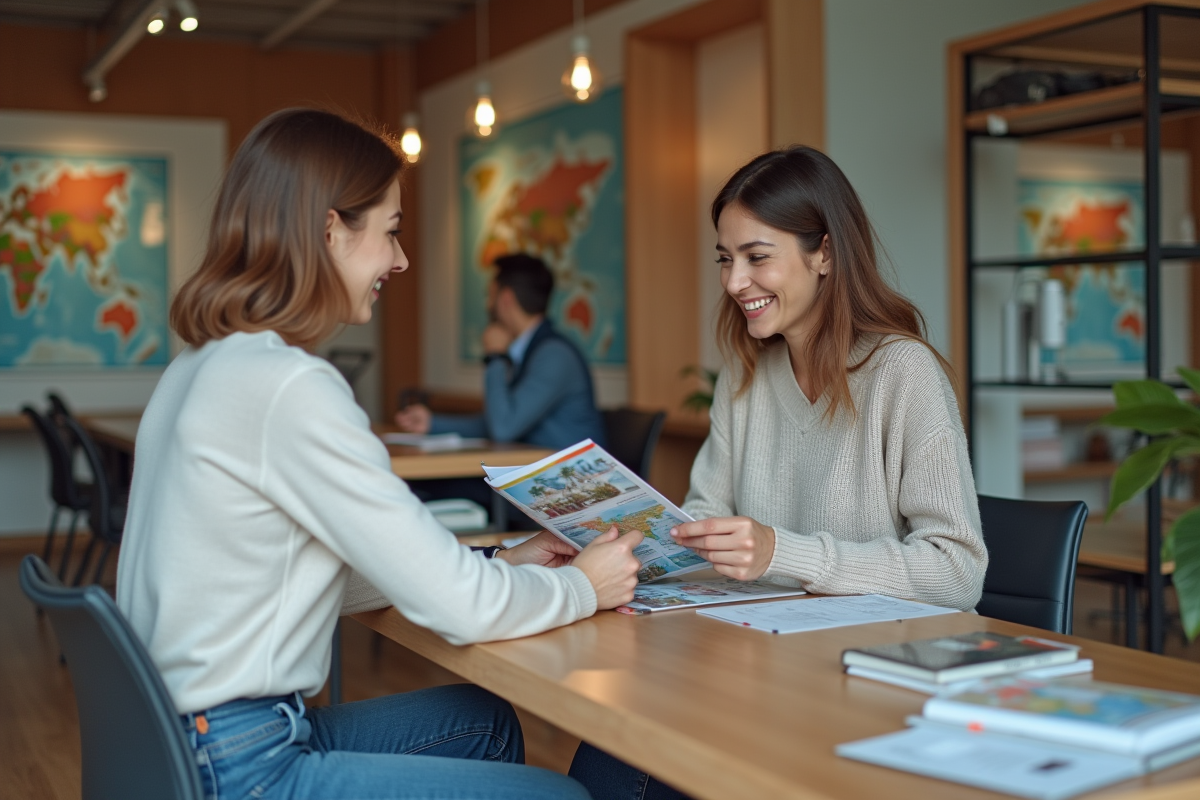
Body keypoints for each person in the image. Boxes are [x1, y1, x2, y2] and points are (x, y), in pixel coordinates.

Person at [115, 108, 645, 800]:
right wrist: (585, 586)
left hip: (176, 736)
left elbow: (289, 567)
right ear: (331, 229)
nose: (398, 260)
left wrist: (492, 562)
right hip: (244, 764)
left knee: (482, 724)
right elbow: (460, 611)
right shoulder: (289, 386)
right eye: (390, 232)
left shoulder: (200, 365)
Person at [568, 146, 988, 799]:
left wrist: (778, 551)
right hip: (758, 666)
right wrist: (630, 541)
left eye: (757, 257)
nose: (735, 282)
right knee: (618, 738)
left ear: (824, 253)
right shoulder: (745, 372)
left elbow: (959, 572)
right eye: (726, 259)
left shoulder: (904, 374)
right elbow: (704, 518)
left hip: (866, 687)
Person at [394, 252, 606, 449]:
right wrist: (432, 423)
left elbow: (502, 428)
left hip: (576, 484)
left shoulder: (555, 356)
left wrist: (495, 355)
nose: (487, 305)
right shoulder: (532, 350)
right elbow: (500, 419)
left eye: (490, 295)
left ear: (506, 299)